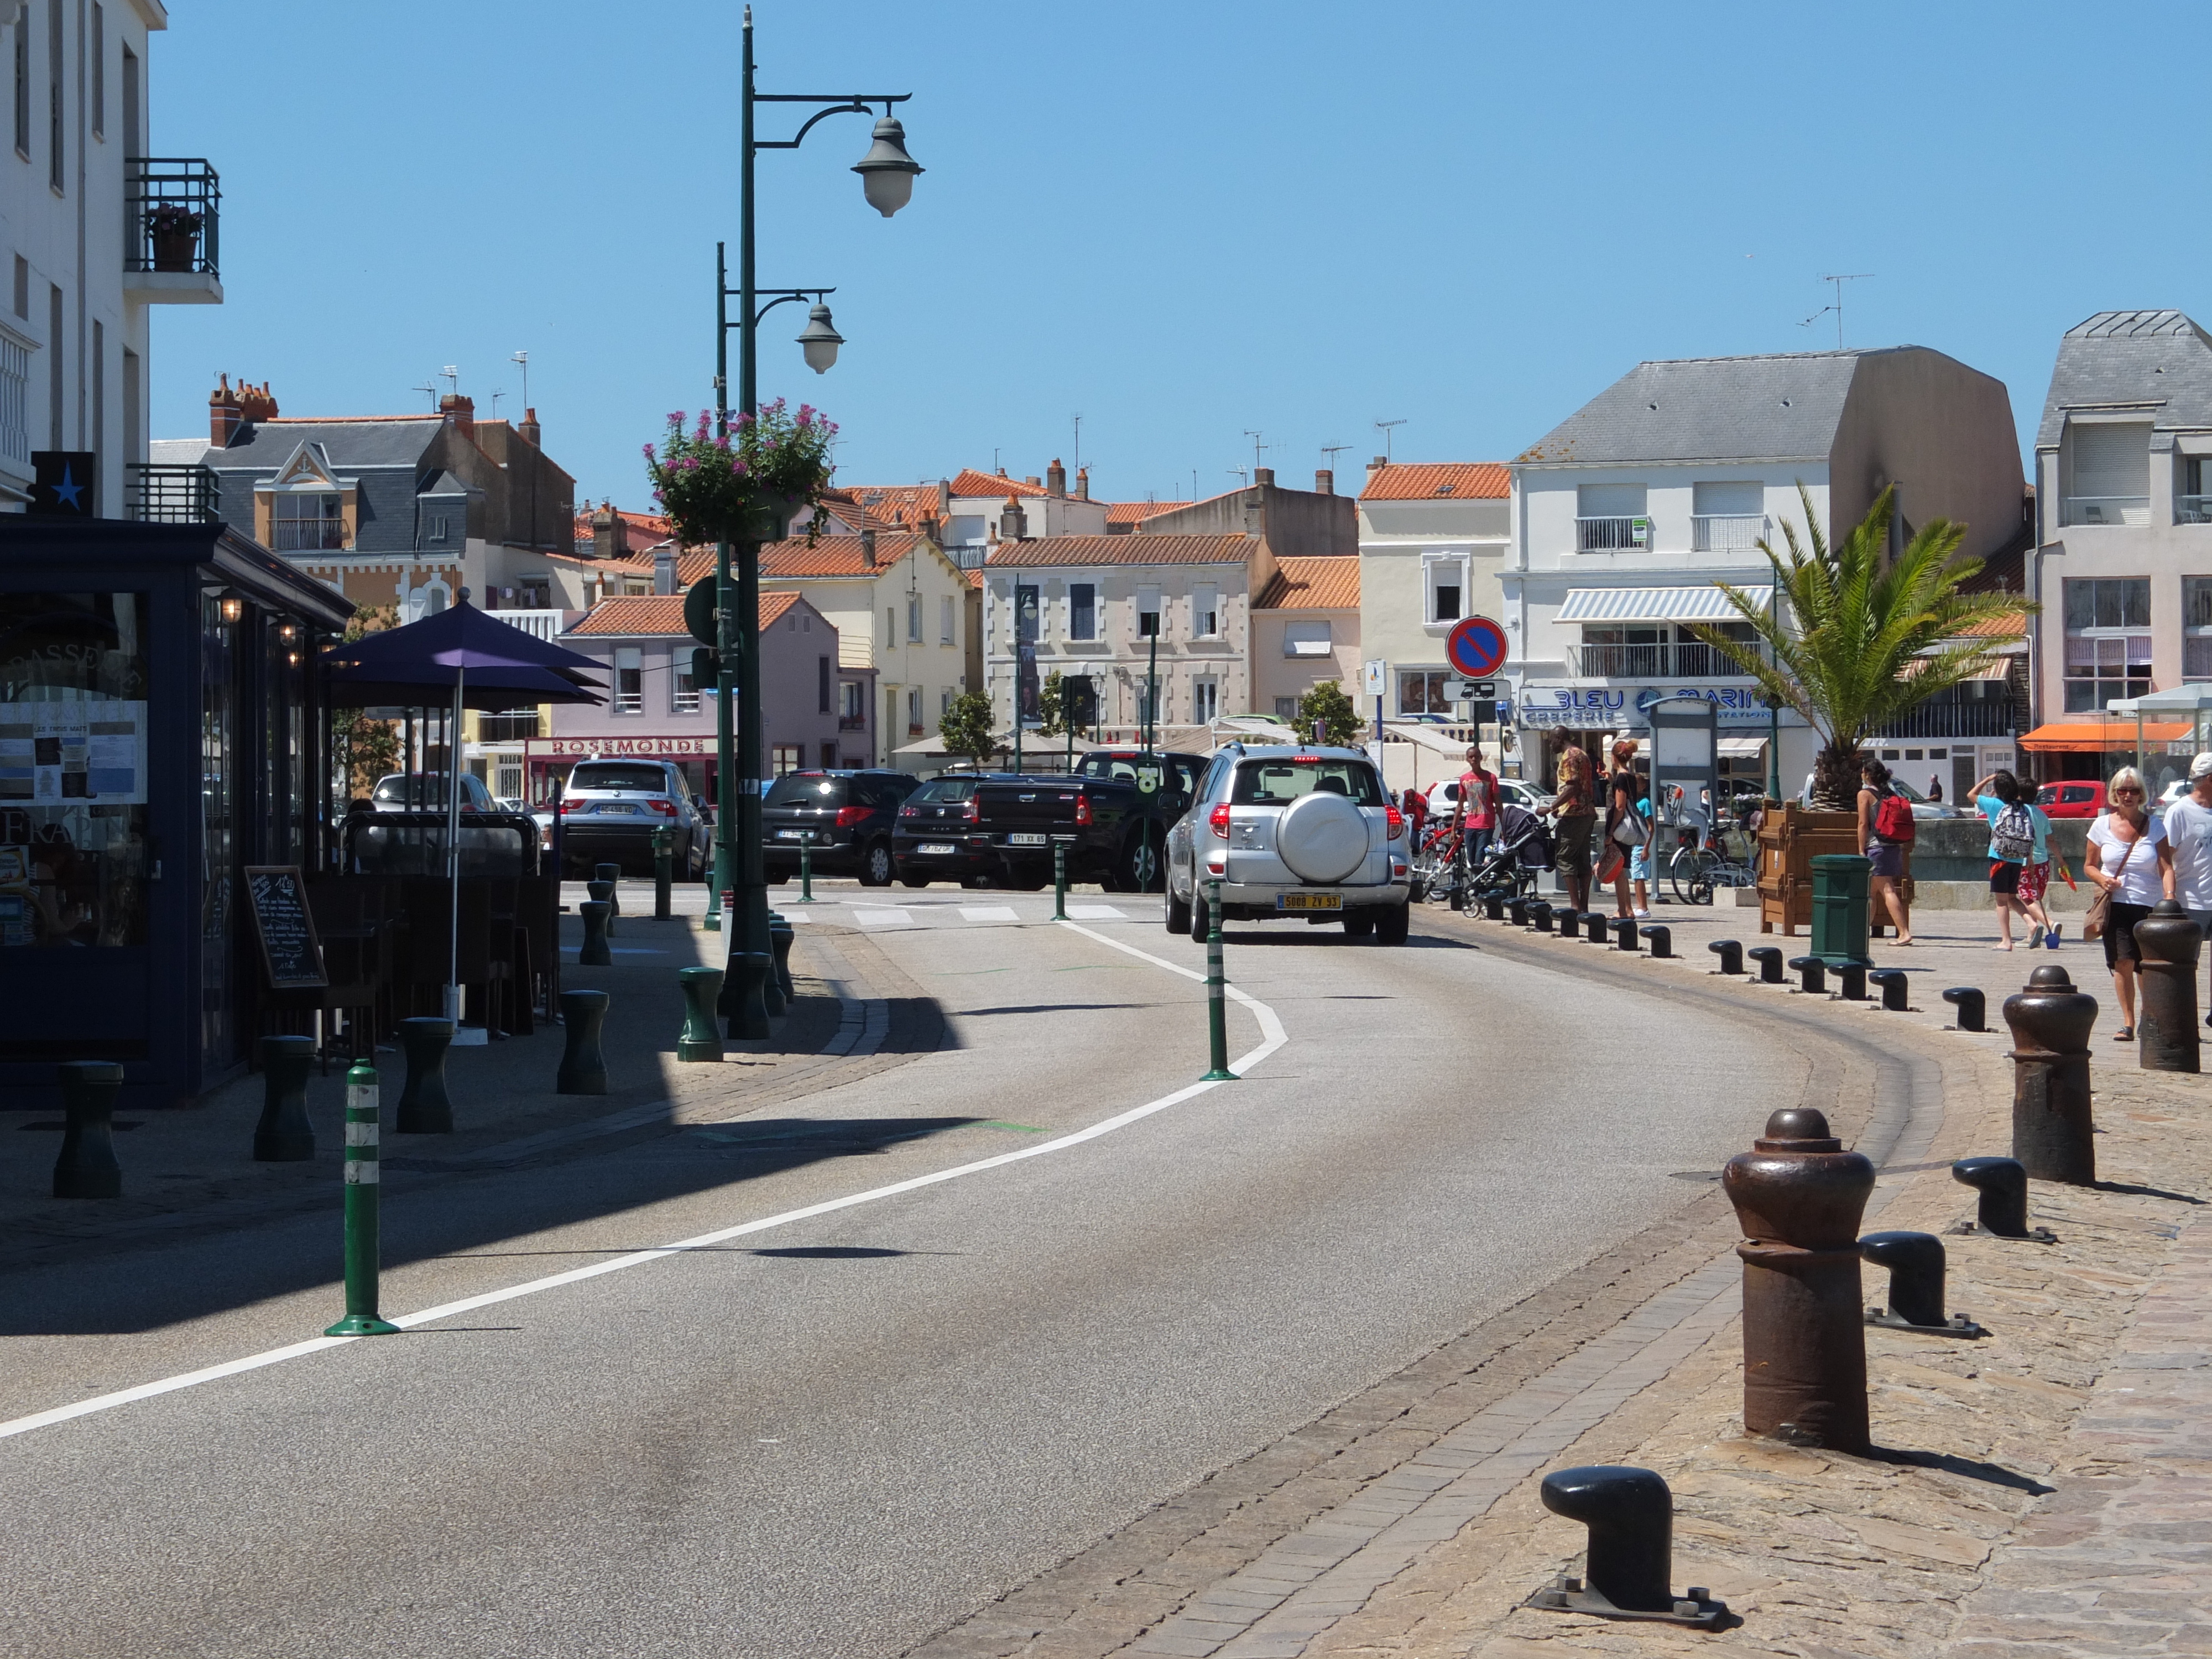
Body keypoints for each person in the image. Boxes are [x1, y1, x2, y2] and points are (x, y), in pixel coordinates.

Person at [2085, 766, 2166, 1042]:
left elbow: (2167, 867)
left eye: (2133, 791)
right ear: (2114, 794)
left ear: (2141, 794)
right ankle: (2128, 1022)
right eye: (2122, 790)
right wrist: (2103, 880)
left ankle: (2149, 1015)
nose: (2128, 795)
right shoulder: (2101, 825)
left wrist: (2170, 897)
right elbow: (2088, 866)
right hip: (2117, 905)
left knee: (2145, 965)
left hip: (2149, 906)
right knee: (2122, 963)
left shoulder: (2155, 826)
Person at [2159, 753, 2212, 1024]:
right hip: (2192, 899)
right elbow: (2165, 856)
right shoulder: (2180, 811)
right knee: (2187, 962)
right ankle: (2182, 1014)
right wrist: (2169, 894)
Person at [1973, 770, 2040, 950]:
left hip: (1999, 856)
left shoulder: (1993, 804)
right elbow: (2028, 832)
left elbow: (1971, 795)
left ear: (1997, 788)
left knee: (2001, 901)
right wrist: (2030, 858)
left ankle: (2006, 941)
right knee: (2012, 897)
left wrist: (1988, 778)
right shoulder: (2022, 807)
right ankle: (2031, 923)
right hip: (2017, 859)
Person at [1856, 758, 1914, 945]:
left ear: (1867, 774)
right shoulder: (1889, 792)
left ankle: (1904, 933)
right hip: (1892, 846)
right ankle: (1862, 932)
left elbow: (1863, 824)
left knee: (1887, 889)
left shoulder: (1864, 794)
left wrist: (1860, 849)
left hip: (1876, 847)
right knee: (1872, 892)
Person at [1603, 738, 1649, 920]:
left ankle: (1623, 910)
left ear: (1615, 757)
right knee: (1621, 868)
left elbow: (1620, 807)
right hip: (1629, 829)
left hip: (1620, 829)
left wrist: (1610, 832)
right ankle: (1627, 909)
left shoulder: (1622, 778)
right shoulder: (1630, 777)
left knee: (1618, 870)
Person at [1552, 743, 1595, 913]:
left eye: (1551, 740)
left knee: (1565, 858)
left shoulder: (1569, 757)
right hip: (1588, 812)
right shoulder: (1582, 754)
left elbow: (1573, 786)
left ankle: (1575, 906)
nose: (1551, 744)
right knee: (1584, 860)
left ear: (1559, 738)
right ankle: (1584, 906)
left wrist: (1551, 807)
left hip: (1573, 814)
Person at [1452, 747, 1498, 879]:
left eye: (1476, 756)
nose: (1474, 759)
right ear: (1467, 759)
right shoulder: (1464, 779)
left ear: (1481, 758)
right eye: (1471, 757)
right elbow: (1460, 805)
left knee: (1479, 859)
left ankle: (1479, 889)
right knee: (1471, 861)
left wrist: (1505, 825)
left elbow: (1498, 804)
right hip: (1470, 825)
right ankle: (1477, 885)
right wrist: (1453, 829)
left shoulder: (1491, 778)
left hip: (1486, 825)